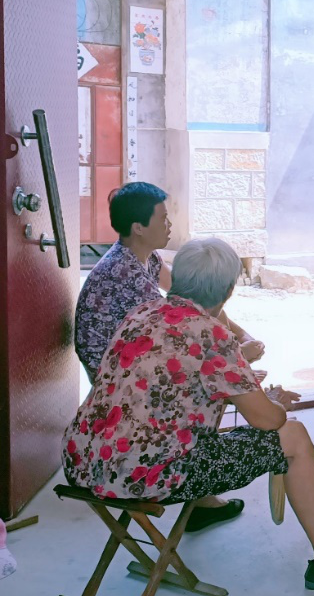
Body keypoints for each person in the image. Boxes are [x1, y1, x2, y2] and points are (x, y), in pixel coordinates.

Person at [62, 239, 314, 590]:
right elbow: (268, 421)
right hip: (143, 476)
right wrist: (275, 403)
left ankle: (202, 507)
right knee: (294, 435)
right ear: (229, 291)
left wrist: (260, 399)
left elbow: (169, 395)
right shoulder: (212, 334)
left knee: (189, 425)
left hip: (83, 461)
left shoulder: (142, 314)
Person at [74, 182, 266, 531]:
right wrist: (237, 357)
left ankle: (199, 496)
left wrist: (240, 337)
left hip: (135, 361)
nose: (170, 224)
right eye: (163, 218)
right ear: (138, 227)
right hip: (117, 370)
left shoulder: (144, 258)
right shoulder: (125, 275)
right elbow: (173, 338)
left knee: (211, 379)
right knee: (206, 388)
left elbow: (194, 299)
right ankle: (197, 494)